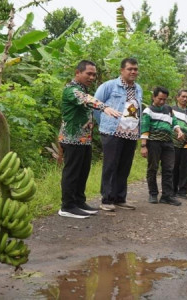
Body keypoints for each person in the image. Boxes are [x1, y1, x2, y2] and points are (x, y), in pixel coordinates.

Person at [58, 60, 121, 219]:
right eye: (89, 74)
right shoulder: (71, 90)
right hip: (72, 139)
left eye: (94, 74)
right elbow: (86, 99)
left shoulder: (82, 89)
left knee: (83, 172)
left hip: (84, 139)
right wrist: (104, 107)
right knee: (72, 173)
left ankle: (79, 202)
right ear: (77, 72)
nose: (92, 77)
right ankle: (67, 206)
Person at [94, 58, 143, 211]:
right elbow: (95, 105)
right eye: (130, 69)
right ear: (122, 70)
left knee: (124, 166)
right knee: (111, 165)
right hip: (112, 131)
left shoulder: (138, 88)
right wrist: (104, 122)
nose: (133, 72)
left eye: (135, 69)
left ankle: (120, 198)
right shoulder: (109, 86)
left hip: (131, 132)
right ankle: (107, 200)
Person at [141, 86, 184, 206]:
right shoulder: (148, 111)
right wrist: (143, 146)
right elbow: (144, 128)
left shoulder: (168, 109)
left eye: (164, 99)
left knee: (168, 169)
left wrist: (179, 131)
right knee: (153, 168)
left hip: (168, 143)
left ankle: (167, 196)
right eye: (160, 99)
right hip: (153, 143)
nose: (162, 102)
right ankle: (153, 194)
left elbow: (174, 122)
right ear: (153, 97)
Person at [171, 89, 187, 200]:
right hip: (173, 143)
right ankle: (172, 191)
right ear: (177, 97)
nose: (185, 99)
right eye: (183, 96)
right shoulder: (171, 110)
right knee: (173, 167)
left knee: (185, 169)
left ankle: (182, 192)